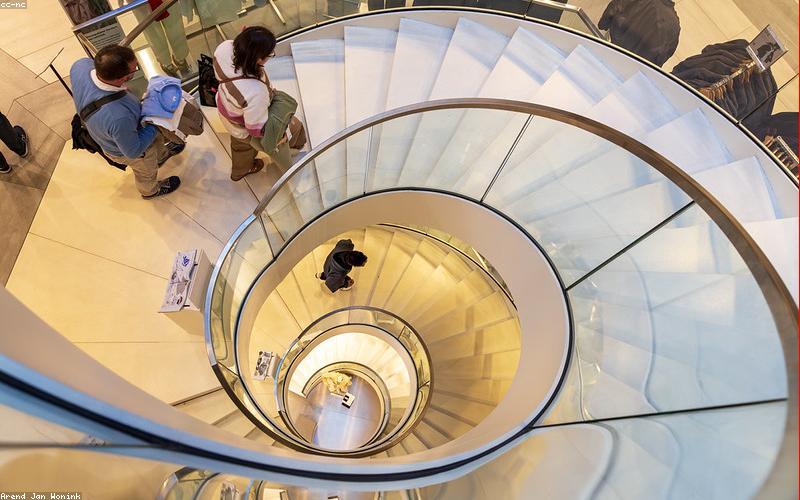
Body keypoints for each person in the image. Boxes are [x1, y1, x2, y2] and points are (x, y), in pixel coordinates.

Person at [70, 45, 183, 198]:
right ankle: (150, 190)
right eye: (134, 68)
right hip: (129, 148)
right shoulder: (118, 117)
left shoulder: (81, 65)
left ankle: (161, 156)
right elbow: (133, 151)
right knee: (146, 168)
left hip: (108, 129)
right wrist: (156, 122)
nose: (137, 68)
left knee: (154, 144)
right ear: (122, 78)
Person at [213, 26, 277, 182]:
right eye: (270, 54)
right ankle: (241, 170)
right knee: (244, 147)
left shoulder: (224, 48)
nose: (270, 57)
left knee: (238, 146)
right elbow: (255, 129)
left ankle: (240, 167)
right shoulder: (255, 92)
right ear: (258, 58)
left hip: (224, 103)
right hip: (239, 124)